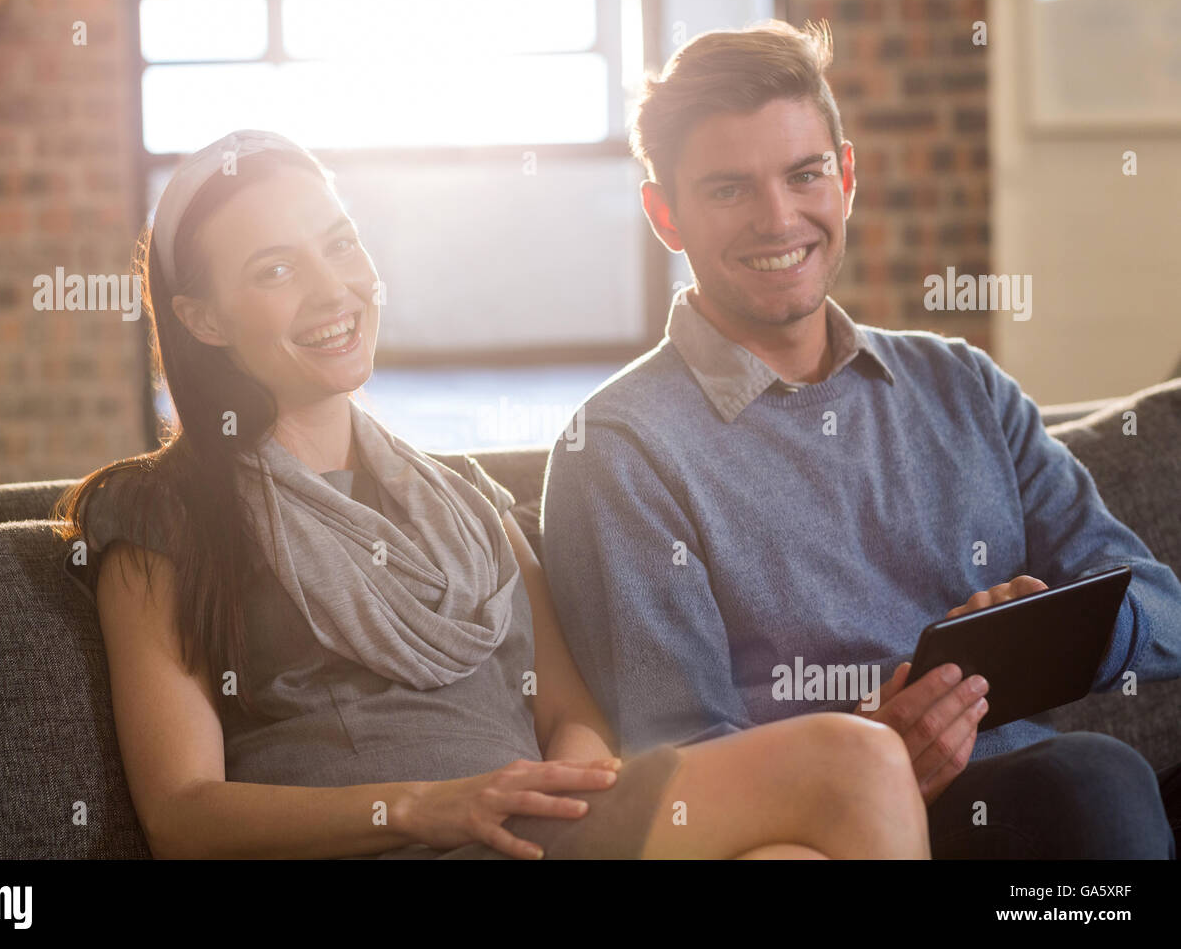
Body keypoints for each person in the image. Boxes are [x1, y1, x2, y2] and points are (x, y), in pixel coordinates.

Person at [54, 129, 928, 860]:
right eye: (275, 270)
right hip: (396, 844)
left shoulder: (463, 499)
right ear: (204, 318)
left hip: (533, 835)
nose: (333, 289)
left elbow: (573, 718)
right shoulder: (160, 514)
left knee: (821, 816)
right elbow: (181, 813)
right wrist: (418, 806)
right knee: (850, 763)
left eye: (341, 242)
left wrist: (553, 798)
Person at [540, 20, 1181, 859]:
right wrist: (870, 756)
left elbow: (1164, 611)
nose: (780, 220)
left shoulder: (963, 385)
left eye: (804, 175)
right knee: (1089, 780)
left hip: (1054, 819)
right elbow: (680, 773)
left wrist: (1066, 629)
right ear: (665, 213)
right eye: (729, 189)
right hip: (866, 832)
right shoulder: (617, 452)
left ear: (845, 178)